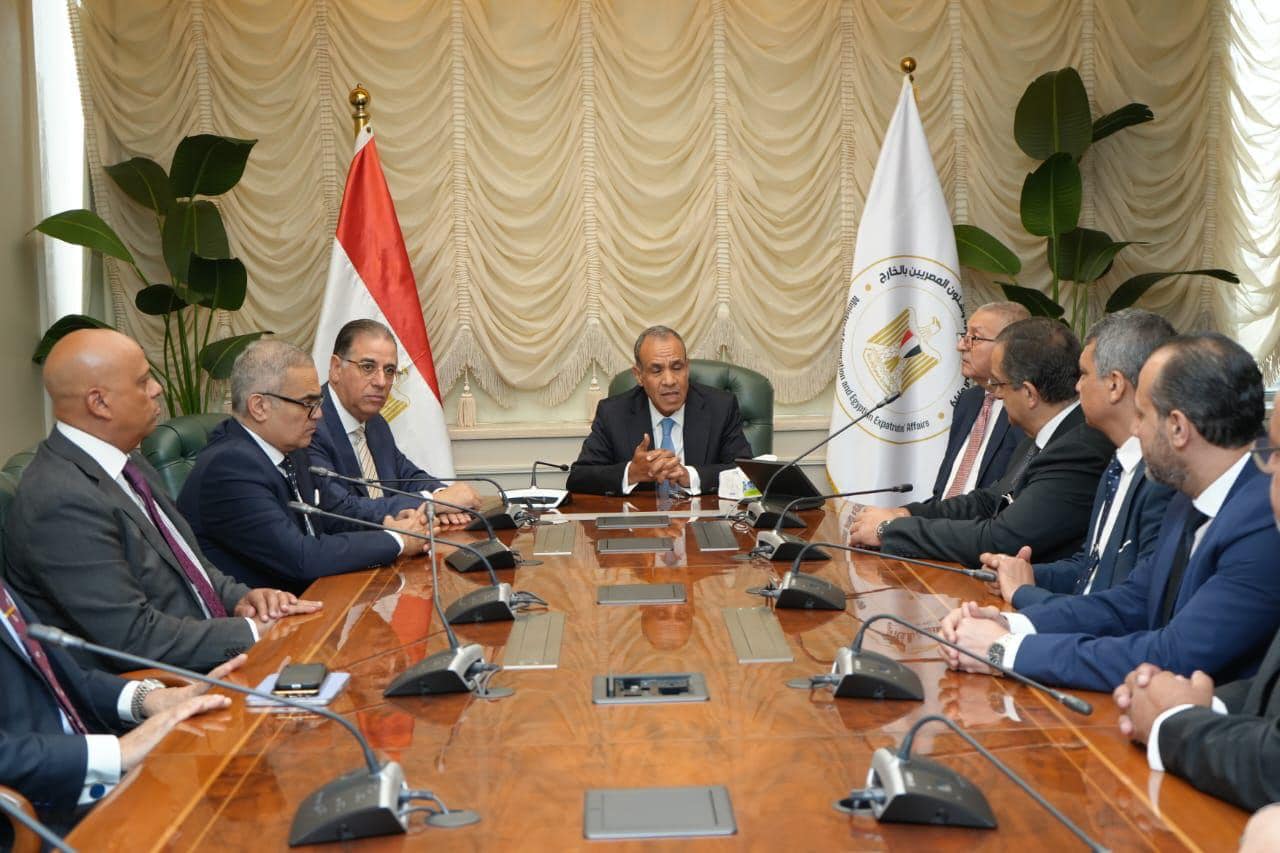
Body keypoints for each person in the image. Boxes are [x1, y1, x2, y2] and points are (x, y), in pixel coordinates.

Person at [941, 334, 1280, 693]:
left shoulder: (1262, 520)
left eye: (1142, 415)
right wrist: (1012, 625)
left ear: (1179, 428)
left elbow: (1176, 654)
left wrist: (1004, 650)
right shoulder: (1188, 495)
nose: (1134, 429)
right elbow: (1132, 602)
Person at [1, 329, 318, 674]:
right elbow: (133, 638)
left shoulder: (129, 461)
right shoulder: (61, 500)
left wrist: (241, 598)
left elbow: (191, 564)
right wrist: (252, 632)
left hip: (208, 654)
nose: (157, 389)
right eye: (143, 381)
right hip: (165, 684)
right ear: (99, 403)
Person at [1107, 406, 1280, 813]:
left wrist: (1172, 721)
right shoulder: (1184, 504)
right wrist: (1198, 702)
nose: (1269, 469)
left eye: (1277, 452)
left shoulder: (1252, 522)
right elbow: (1270, 689)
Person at [849, 318, 1113, 566]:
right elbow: (988, 502)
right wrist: (905, 514)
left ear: (1030, 393)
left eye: (998, 384)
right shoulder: (1042, 437)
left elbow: (999, 539)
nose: (995, 395)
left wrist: (890, 530)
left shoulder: (1079, 449)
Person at [179, 340, 432, 595]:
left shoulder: (291, 449)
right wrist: (397, 540)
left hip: (317, 597)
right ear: (259, 406)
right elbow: (301, 558)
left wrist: (388, 524)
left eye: (318, 402)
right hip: (265, 612)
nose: (319, 414)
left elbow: (335, 514)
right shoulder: (229, 468)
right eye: (307, 404)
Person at [0, 580, 242, 846]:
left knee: (234, 786)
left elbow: (66, 679)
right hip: (38, 818)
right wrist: (119, 751)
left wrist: (156, 699)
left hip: (100, 775)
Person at [985, 309, 1176, 608]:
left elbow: (1134, 605)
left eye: (1084, 374)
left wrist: (1025, 596)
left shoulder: (1161, 479)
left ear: (1115, 385)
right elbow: (1091, 567)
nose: (1076, 386)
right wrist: (1024, 575)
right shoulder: (1118, 465)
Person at [308, 319, 479, 526]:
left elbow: (407, 477)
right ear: (336, 368)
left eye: (389, 370)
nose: (381, 382)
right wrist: (434, 503)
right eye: (368, 367)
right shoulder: (310, 424)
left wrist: (444, 496)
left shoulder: (375, 422)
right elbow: (340, 510)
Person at [566, 326, 753, 495]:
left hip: (703, 516)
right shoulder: (613, 413)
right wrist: (632, 473)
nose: (670, 380)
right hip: (640, 518)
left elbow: (745, 473)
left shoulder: (721, 407)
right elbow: (579, 476)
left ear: (687, 368)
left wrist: (690, 476)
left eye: (677, 367)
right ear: (639, 376)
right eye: (656, 370)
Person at [930, 301, 1029, 501]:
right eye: (964, 336)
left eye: (974, 338)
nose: (960, 346)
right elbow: (942, 492)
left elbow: (1008, 498)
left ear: (1009, 347)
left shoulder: (1026, 406)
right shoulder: (968, 401)